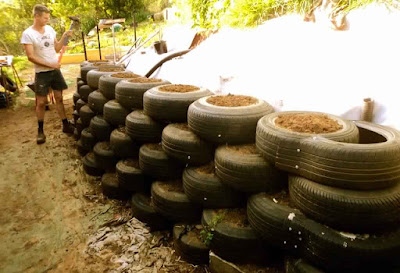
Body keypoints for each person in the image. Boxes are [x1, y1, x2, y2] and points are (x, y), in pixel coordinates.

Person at [20, 4, 74, 144]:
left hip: (55, 71)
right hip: (42, 73)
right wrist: (51, 65)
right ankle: (40, 131)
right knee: (41, 102)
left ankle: (65, 125)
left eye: (48, 17)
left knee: (59, 97)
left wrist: (63, 37)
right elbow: (31, 57)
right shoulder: (28, 34)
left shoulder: (50, 29)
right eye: (45, 18)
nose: (47, 20)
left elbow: (56, 48)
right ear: (36, 16)